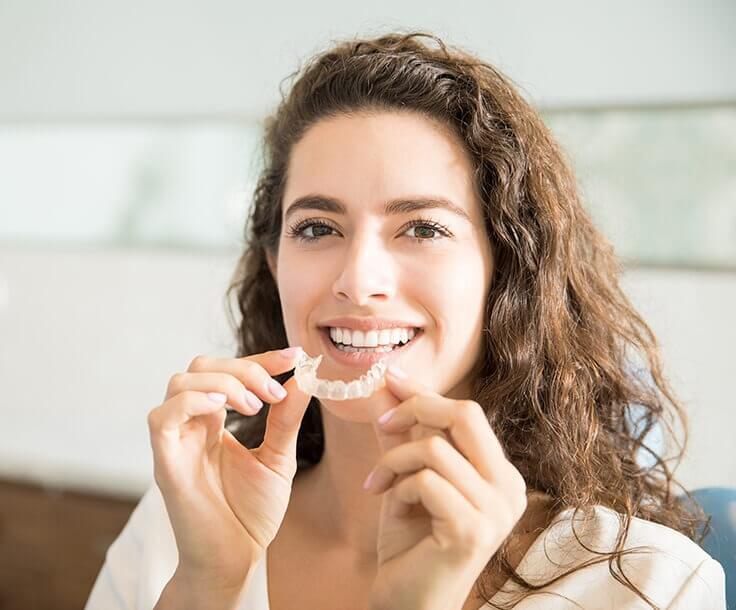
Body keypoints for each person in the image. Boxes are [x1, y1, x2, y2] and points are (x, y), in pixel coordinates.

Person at [85, 30, 726, 610]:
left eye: (422, 227)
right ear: (274, 263)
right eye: (316, 227)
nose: (359, 281)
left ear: (507, 271)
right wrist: (205, 586)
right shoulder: (180, 527)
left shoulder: (648, 586)